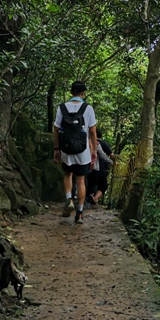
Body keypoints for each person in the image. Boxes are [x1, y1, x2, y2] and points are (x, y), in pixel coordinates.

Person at [53, 81, 97, 225]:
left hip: (66, 149)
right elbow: (92, 131)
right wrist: (94, 150)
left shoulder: (62, 107)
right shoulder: (88, 108)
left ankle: (69, 199)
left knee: (67, 174)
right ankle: (79, 213)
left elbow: (56, 129)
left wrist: (56, 149)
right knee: (80, 180)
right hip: (82, 150)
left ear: (71, 92)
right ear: (83, 94)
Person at [86, 128, 114, 206]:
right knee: (103, 186)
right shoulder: (101, 143)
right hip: (100, 168)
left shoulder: (87, 142)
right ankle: (94, 198)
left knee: (90, 184)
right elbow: (110, 155)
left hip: (88, 167)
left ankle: (89, 198)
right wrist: (112, 161)